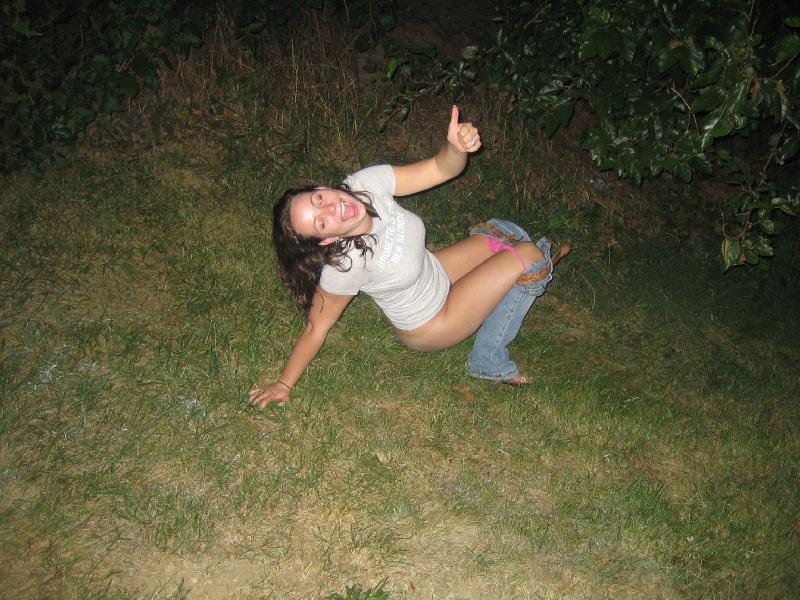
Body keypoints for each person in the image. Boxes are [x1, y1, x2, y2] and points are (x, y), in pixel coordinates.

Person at [249, 106, 569, 408]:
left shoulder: (365, 184)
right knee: (528, 255)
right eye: (321, 222)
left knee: (505, 234)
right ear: (328, 239)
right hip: (432, 322)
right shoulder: (345, 265)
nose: (332, 209)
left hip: (437, 272)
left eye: (319, 199)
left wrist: (456, 148)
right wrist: (283, 384)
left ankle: (515, 279)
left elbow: (441, 168)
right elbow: (316, 328)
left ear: (321, 187)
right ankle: (488, 360)